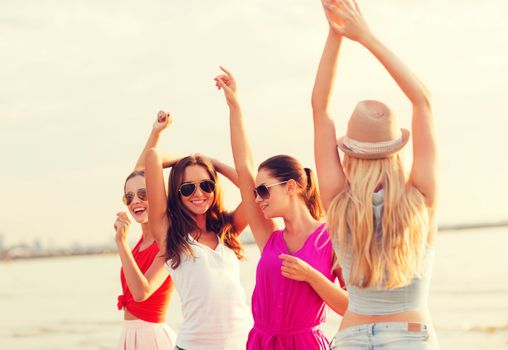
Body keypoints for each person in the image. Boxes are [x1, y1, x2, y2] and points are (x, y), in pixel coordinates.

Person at [312, 0, 439, 348]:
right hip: (411, 336)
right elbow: (422, 101)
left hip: (351, 336)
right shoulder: (420, 200)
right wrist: (365, 36)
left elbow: (320, 107)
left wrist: (335, 33)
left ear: (349, 151)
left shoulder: (339, 201)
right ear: (396, 148)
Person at [214, 66, 348, 349]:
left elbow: (354, 307)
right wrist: (234, 105)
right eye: (256, 192)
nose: (258, 198)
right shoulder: (269, 236)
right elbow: (243, 165)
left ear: (290, 186)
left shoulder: (331, 237)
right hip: (262, 343)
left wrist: (311, 276)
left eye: (264, 190)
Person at [143, 113, 252, 350]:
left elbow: (253, 193)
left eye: (206, 185)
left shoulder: (228, 229)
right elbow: (152, 158)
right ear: (177, 192)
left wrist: (215, 164)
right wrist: (188, 160)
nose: (198, 193)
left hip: (244, 344)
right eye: (188, 188)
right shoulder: (169, 233)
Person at [114, 111, 177, 349]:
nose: (135, 202)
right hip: (129, 337)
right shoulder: (141, 242)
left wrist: (121, 243)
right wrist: (156, 132)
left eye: (143, 195)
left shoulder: (169, 241)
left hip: (153, 339)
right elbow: (140, 171)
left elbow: (142, 292)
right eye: (129, 197)